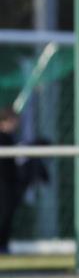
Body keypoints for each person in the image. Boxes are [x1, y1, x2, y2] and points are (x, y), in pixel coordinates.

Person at [0, 107, 21, 254]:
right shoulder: (4, 138)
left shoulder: (10, 138)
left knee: (7, 213)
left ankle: (3, 245)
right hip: (3, 182)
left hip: (8, 182)